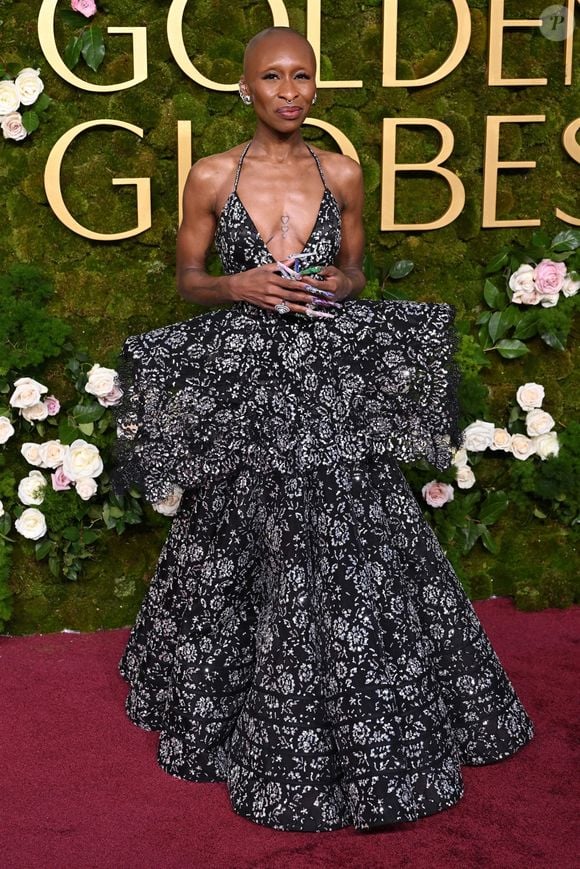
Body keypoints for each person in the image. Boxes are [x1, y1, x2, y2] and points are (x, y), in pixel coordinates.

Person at [111, 26, 534, 833]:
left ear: (315, 87)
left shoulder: (342, 171)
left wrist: (342, 278)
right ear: (245, 88)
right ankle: (244, 704)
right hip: (248, 386)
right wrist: (239, 282)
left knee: (352, 538)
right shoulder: (209, 175)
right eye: (272, 76)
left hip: (330, 381)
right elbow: (187, 280)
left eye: (302, 76)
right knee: (242, 538)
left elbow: (356, 269)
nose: (290, 90)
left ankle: (372, 708)